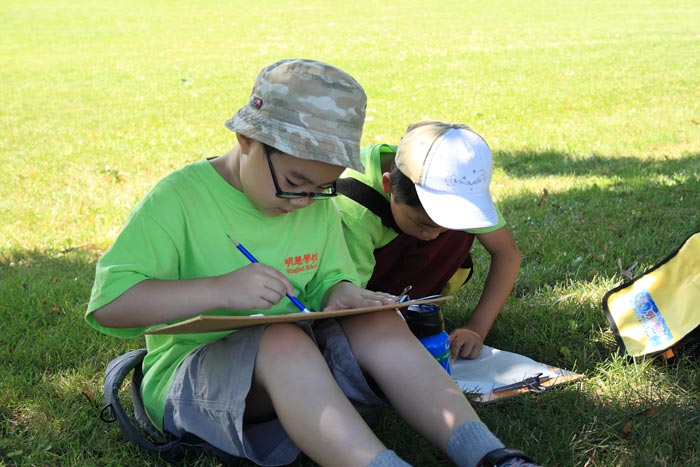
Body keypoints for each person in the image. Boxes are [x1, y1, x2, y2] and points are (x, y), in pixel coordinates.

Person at [86, 59, 538, 467]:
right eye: (295, 182)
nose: (304, 201)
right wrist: (221, 289)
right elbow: (110, 306)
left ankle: (491, 456)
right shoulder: (178, 199)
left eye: (322, 189)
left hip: (300, 365)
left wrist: (341, 292)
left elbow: (329, 278)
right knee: (281, 340)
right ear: (247, 139)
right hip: (190, 380)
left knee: (375, 319)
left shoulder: (313, 202)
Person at [333, 121, 521, 360]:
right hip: (361, 294)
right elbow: (350, 298)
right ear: (389, 186)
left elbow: (506, 252)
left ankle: (412, 310)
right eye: (423, 224)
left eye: (445, 227)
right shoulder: (353, 209)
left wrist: (476, 328)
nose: (434, 236)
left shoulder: (455, 179)